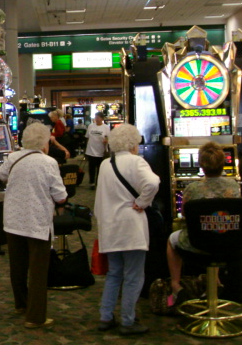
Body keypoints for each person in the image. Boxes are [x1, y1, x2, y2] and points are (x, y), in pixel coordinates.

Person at [0, 122, 67, 329]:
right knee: (37, 270)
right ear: (45, 142)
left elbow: (0, 175)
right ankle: (35, 316)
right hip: (36, 222)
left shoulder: (13, 157)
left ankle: (21, 304)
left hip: (13, 219)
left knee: (17, 266)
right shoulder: (48, 162)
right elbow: (60, 196)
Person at [94, 124, 159, 335]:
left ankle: (106, 316)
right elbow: (153, 182)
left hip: (110, 226)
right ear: (133, 143)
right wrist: (142, 202)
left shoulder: (105, 164)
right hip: (130, 226)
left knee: (114, 274)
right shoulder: (136, 161)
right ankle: (128, 321)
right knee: (133, 276)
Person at [166, 141, 240, 306]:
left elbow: (185, 216)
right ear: (225, 162)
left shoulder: (192, 188)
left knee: (172, 239)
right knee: (218, 231)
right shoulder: (234, 186)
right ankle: (216, 282)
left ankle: (176, 286)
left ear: (201, 164)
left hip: (197, 244)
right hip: (228, 242)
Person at [85, 112, 110, 189]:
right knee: (91, 167)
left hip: (101, 150)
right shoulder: (91, 126)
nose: (97, 119)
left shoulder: (106, 127)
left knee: (100, 167)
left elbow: (108, 137)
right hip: (91, 150)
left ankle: (98, 182)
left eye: (98, 117)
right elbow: (87, 137)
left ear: (102, 119)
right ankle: (92, 182)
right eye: (96, 117)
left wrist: (106, 141)